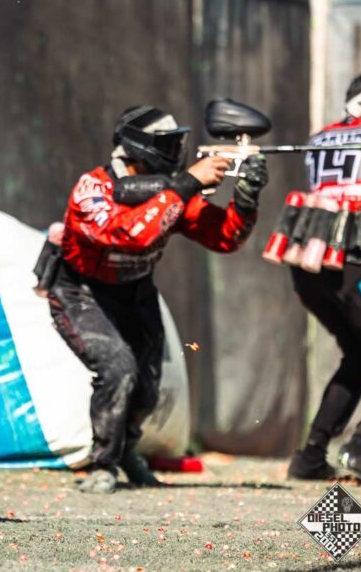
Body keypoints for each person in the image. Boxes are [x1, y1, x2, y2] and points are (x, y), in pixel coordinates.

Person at [46, 105, 268, 494]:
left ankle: (126, 450)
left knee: (147, 386)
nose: (176, 152)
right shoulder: (92, 189)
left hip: (136, 292)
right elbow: (128, 235)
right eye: (167, 145)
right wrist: (186, 184)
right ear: (139, 148)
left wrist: (246, 198)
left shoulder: (172, 193)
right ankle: (103, 464)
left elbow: (225, 237)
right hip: (82, 292)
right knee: (118, 369)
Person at [288, 72, 361, 484]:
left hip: (309, 264)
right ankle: (358, 447)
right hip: (356, 260)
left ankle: (310, 456)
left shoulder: (321, 136)